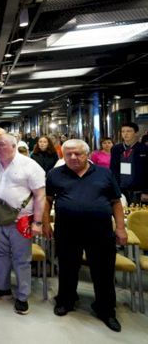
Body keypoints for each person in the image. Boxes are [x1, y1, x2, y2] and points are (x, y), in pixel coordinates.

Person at [44, 139, 126, 332]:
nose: (73, 157)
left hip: (100, 231)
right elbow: (47, 200)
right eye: (68, 154)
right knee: (67, 267)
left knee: (103, 271)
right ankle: (66, 300)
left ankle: (106, 309)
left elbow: (116, 202)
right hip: (67, 230)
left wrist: (120, 228)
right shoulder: (55, 174)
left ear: (87, 154)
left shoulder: (104, 173)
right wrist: (45, 223)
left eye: (78, 153)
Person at [0, 133, 46, 315]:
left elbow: (40, 195)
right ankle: (2, 288)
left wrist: (38, 222)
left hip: (20, 222)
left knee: (22, 259)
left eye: (1, 144)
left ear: (14, 146)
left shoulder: (30, 165)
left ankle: (23, 296)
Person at [109, 122, 148, 205]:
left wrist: (146, 191)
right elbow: (113, 170)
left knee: (138, 212)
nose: (125, 134)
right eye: (123, 131)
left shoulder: (144, 149)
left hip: (139, 190)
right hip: (120, 189)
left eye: (129, 131)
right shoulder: (116, 149)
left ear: (136, 133)